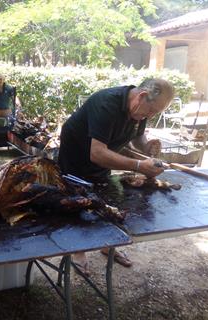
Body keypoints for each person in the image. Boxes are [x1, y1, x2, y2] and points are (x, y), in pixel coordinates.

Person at [58, 78, 175, 272]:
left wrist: (146, 146)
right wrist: (139, 165)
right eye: (152, 111)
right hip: (76, 156)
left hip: (102, 157)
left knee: (106, 199)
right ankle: (78, 250)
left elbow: (138, 136)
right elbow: (97, 153)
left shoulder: (141, 107)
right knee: (78, 201)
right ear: (142, 96)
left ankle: (107, 245)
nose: (151, 116)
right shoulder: (107, 104)